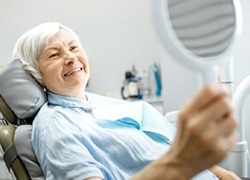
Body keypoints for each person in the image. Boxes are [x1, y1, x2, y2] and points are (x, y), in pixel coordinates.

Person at [13, 22, 240, 180]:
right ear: (37, 74)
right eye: (54, 54)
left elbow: (165, 143)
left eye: (73, 48)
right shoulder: (56, 126)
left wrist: (222, 173)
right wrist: (182, 162)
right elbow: (180, 155)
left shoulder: (96, 104)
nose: (71, 57)